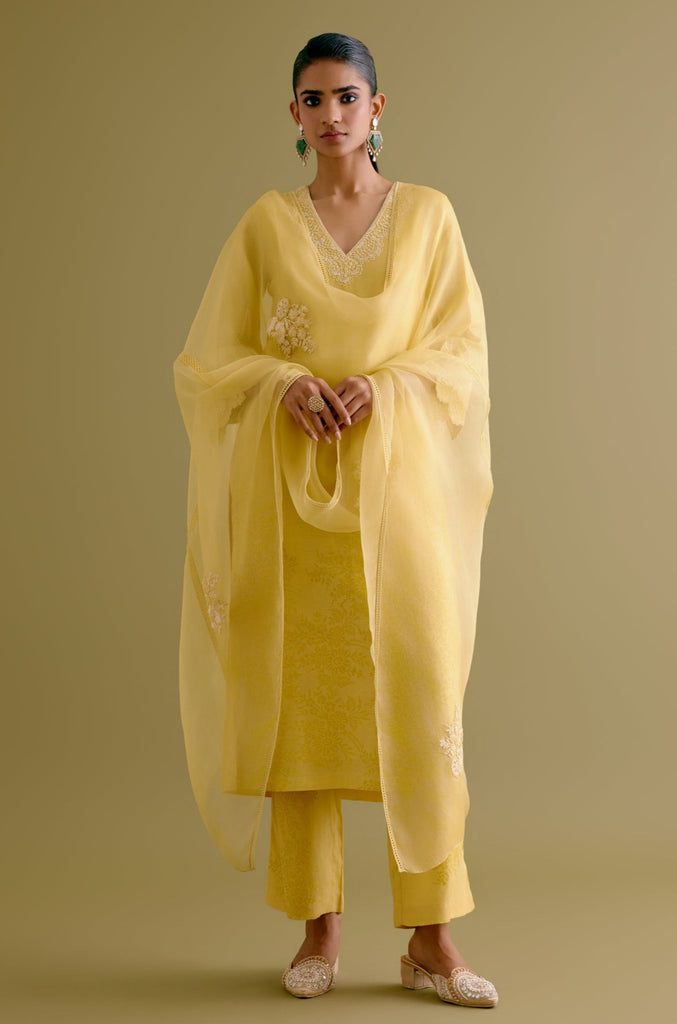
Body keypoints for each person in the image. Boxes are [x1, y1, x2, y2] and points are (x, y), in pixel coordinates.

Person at [173, 31, 497, 1007]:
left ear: (376, 107)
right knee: (305, 714)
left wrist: (384, 386)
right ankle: (318, 930)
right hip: (294, 510)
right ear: (293, 114)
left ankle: (431, 941)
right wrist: (281, 383)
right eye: (311, 100)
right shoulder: (266, 226)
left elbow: (461, 353)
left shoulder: (428, 218)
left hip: (401, 506)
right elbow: (206, 361)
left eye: (346, 96)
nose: (330, 115)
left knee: (422, 702)